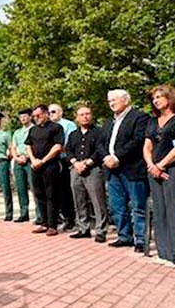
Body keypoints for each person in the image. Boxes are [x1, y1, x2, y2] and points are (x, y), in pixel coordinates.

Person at [143, 85, 175, 267]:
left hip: (173, 169)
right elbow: (147, 146)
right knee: (160, 211)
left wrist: (162, 165)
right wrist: (151, 165)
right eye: (154, 98)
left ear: (170, 98)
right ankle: (164, 253)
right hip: (153, 170)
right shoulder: (153, 121)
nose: (156, 100)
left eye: (159, 97)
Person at [102, 89, 150, 252]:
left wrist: (117, 157)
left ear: (126, 100)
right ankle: (124, 236)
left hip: (132, 168)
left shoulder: (140, 117)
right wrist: (106, 158)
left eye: (115, 99)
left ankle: (141, 239)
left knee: (138, 205)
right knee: (117, 205)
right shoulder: (108, 122)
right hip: (112, 170)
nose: (112, 103)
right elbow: (101, 143)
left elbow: (137, 141)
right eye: (109, 101)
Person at [66, 106, 109, 241]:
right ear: (77, 118)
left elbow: (100, 149)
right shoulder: (73, 134)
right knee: (79, 200)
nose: (85, 116)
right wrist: (75, 163)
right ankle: (83, 228)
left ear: (92, 115)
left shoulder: (99, 132)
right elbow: (68, 150)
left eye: (87, 113)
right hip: (76, 169)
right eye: (81, 114)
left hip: (94, 169)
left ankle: (101, 230)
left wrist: (87, 163)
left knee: (98, 201)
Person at [26, 105, 65, 236]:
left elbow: (58, 146)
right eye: (34, 116)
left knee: (51, 195)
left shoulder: (55, 128)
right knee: (39, 194)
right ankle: (43, 223)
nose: (36, 118)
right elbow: (28, 146)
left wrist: (43, 160)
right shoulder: (33, 130)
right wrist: (33, 160)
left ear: (46, 114)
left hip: (50, 166)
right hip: (35, 166)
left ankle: (52, 225)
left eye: (39, 115)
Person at [50, 104, 77, 230]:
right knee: (54, 191)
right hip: (51, 161)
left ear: (61, 112)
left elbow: (70, 142)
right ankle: (57, 217)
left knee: (66, 190)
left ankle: (70, 218)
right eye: (49, 112)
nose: (51, 114)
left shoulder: (68, 125)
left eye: (54, 111)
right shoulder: (47, 126)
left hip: (64, 159)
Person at [10, 108, 34, 223]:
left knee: (35, 188)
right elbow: (13, 148)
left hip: (30, 161)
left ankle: (40, 215)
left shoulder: (35, 129)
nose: (23, 119)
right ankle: (24, 213)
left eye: (25, 116)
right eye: (21, 117)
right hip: (18, 162)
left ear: (30, 117)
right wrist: (16, 157)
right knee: (21, 188)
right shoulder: (17, 132)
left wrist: (27, 156)